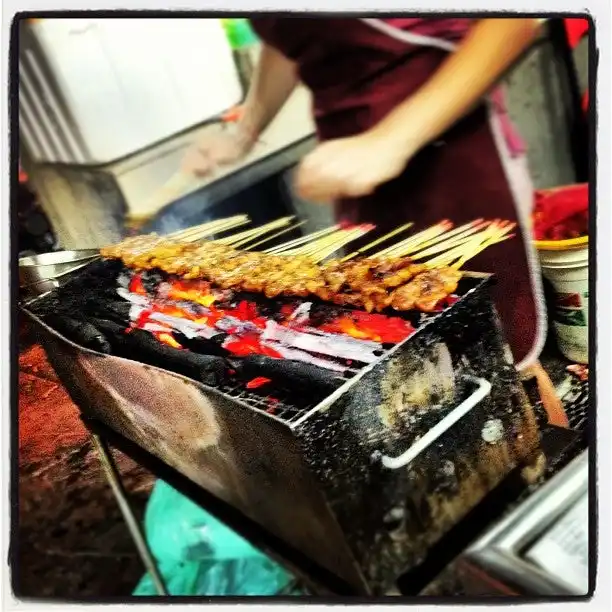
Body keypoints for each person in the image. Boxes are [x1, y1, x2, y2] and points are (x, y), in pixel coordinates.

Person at [182, 17, 567, 426]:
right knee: (405, 353)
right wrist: (243, 132)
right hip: (358, 168)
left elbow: (509, 22)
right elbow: (288, 34)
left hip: (450, 155)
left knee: (501, 358)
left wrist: (391, 141)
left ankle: (549, 468)